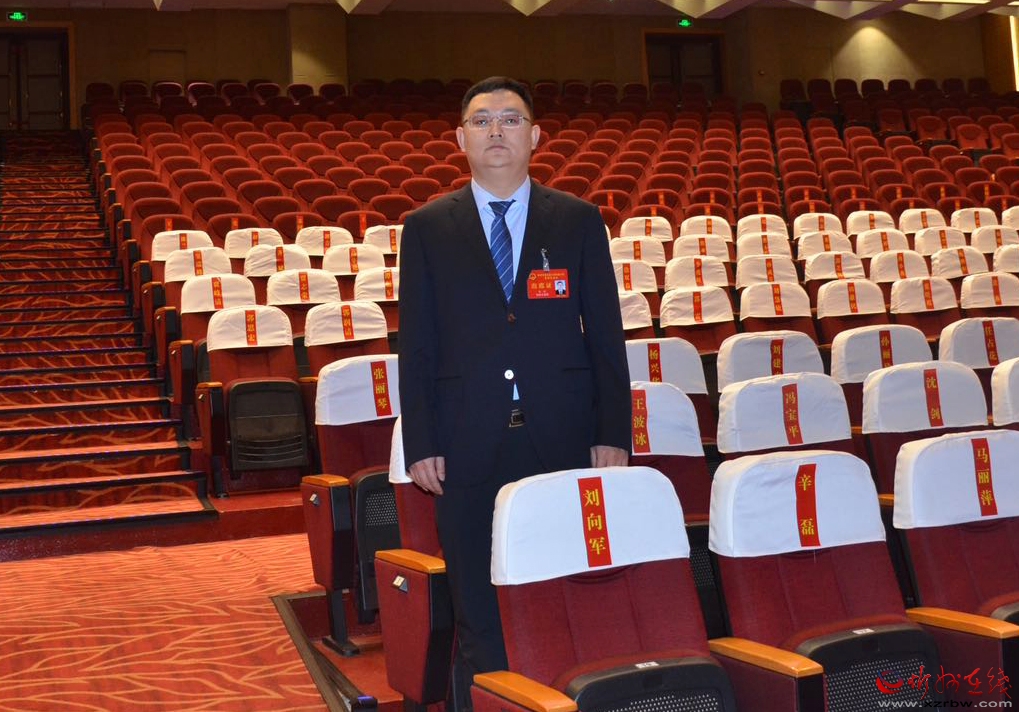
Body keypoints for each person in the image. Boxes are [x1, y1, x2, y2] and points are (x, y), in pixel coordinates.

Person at [397, 76, 631, 706]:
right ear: (460, 139)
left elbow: (605, 335)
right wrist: (421, 440)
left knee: (563, 587)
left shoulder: (578, 220)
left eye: (509, 119)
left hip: (563, 436)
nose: (495, 130)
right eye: (481, 121)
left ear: (535, 136)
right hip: (464, 440)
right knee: (476, 598)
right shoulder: (426, 227)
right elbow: (416, 344)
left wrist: (613, 430)